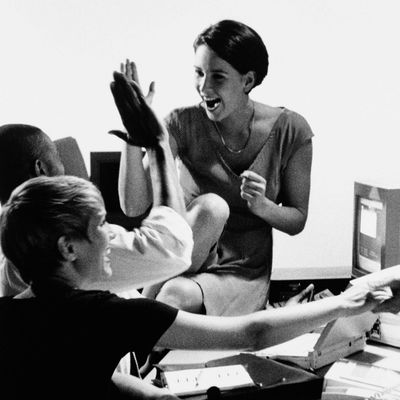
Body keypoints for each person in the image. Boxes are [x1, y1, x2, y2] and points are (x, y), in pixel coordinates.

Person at [1, 74, 400, 400]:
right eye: (100, 230)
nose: (110, 239)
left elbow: (72, 368)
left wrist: (146, 394)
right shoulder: (110, 314)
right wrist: (347, 302)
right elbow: (252, 332)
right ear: (67, 248)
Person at [117, 19, 314, 315]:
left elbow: (297, 219)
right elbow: (133, 206)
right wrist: (134, 133)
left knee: (174, 295)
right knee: (211, 208)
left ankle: (135, 332)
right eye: (198, 73)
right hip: (182, 256)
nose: (204, 87)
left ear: (247, 81)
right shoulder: (180, 123)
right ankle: (137, 336)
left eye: (218, 77)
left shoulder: (292, 129)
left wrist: (262, 206)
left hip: (241, 272)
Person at [0, 124, 192, 298]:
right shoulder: (69, 245)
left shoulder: (12, 242)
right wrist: (157, 145)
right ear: (40, 168)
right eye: (57, 156)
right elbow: (171, 248)